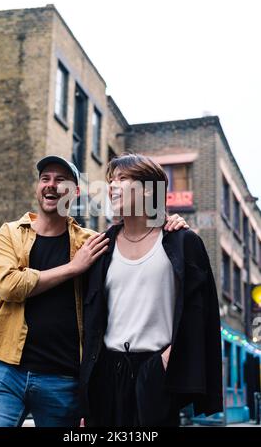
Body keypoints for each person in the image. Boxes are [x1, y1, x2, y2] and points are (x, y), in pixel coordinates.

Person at [0, 155, 188, 427]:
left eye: (60, 180)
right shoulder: (12, 233)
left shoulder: (92, 242)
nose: (51, 185)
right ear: (38, 187)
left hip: (63, 379)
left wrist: (168, 221)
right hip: (5, 370)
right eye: (45, 179)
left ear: (74, 192)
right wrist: (73, 268)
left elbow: (135, 240)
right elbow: (9, 286)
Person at [80, 153, 223, 427]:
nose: (112, 186)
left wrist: (168, 360)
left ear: (149, 189)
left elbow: (200, 313)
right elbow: (90, 317)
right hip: (106, 373)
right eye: (110, 180)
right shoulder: (101, 246)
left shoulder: (182, 242)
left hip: (156, 369)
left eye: (122, 179)